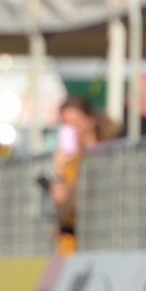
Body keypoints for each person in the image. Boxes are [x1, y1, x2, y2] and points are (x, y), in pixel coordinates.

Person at [47, 94, 103, 254]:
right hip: (70, 248)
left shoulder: (101, 157)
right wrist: (58, 169)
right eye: (66, 124)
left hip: (94, 247)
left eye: (75, 123)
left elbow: (66, 205)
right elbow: (62, 209)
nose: (71, 129)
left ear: (90, 121)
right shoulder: (69, 160)